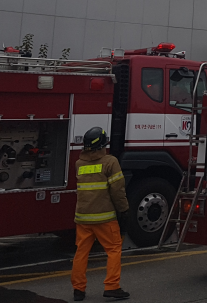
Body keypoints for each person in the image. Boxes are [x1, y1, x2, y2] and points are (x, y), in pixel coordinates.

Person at [71, 127, 130, 301]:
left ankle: (78, 290)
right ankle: (112, 286)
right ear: (103, 144)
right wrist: (124, 210)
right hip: (104, 217)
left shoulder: (79, 164)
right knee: (113, 249)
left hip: (82, 217)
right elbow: (118, 191)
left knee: (81, 252)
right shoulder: (110, 162)